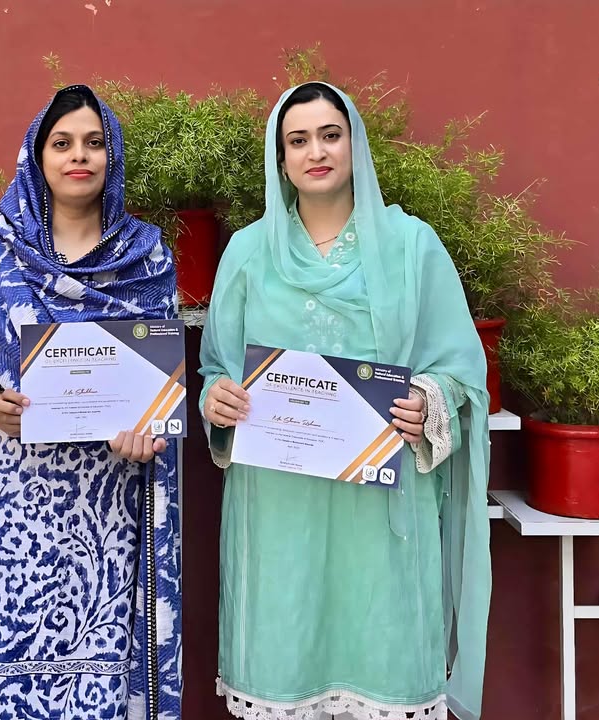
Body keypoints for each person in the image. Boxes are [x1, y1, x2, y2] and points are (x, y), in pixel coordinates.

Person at [199, 82, 491, 720]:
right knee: (283, 660)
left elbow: (462, 369)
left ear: (354, 144)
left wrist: (429, 401)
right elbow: (217, 366)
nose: (316, 152)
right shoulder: (247, 252)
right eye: (298, 140)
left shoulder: (412, 246)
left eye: (330, 135)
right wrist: (216, 400)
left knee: (384, 659)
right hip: (278, 509)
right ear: (281, 160)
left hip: (381, 512)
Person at [0, 85, 181, 720]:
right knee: (3, 673)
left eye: (94, 142)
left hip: (105, 508)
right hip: (5, 509)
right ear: (37, 156)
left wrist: (146, 435)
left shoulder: (145, 256)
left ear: (113, 156)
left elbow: (160, 389)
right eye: (62, 143)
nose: (78, 155)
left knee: (99, 678)